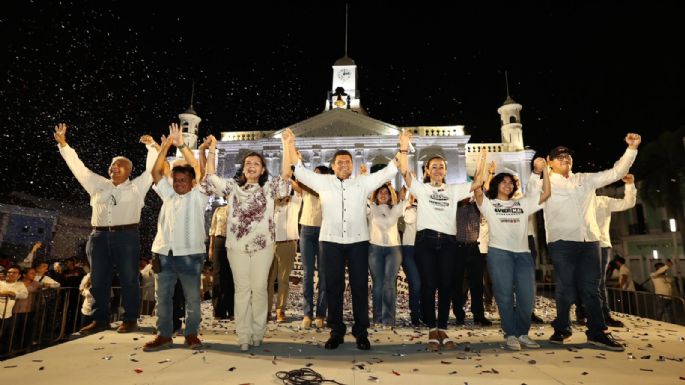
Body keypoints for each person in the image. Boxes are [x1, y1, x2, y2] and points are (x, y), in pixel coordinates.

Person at [291, 130, 410, 350]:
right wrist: (289, 144)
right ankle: (336, 331)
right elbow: (299, 171)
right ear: (333, 166)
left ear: (352, 165)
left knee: (359, 287)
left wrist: (402, 148)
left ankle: (361, 331)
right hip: (330, 242)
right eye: (340, 162)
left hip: (358, 242)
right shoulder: (323, 182)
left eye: (348, 162)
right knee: (333, 286)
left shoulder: (362, 184)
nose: (344, 165)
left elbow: (390, 170)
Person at [528, 133, 641, 352]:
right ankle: (562, 329)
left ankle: (597, 333)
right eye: (559, 157)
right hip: (562, 242)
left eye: (568, 156)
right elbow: (531, 200)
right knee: (566, 289)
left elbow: (616, 172)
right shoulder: (545, 183)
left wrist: (631, 149)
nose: (565, 159)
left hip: (590, 241)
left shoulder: (585, 179)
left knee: (592, 289)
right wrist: (535, 173)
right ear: (550, 162)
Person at [53, 123, 158, 334]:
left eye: (119, 165)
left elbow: (152, 170)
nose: (114, 168)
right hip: (98, 237)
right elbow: (78, 168)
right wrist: (64, 145)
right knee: (98, 280)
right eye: (112, 165)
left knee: (129, 279)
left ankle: (130, 319)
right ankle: (100, 319)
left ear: (129, 171)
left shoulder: (137, 187)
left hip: (126, 237)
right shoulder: (97, 184)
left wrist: (152, 147)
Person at [204, 130, 292, 352]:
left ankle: (257, 331)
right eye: (248, 163)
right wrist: (213, 150)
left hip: (263, 247)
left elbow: (286, 177)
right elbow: (211, 177)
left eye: (257, 163)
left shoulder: (270, 188)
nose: (252, 166)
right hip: (237, 247)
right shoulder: (233, 188)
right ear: (243, 169)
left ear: (262, 169)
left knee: (259, 289)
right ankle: (243, 335)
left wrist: (287, 145)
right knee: (242, 289)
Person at [398, 137, 473, 351]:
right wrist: (404, 148)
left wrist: (485, 163)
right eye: (434, 167)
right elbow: (405, 173)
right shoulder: (422, 189)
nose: (438, 169)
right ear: (427, 170)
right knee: (429, 286)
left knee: (446, 286)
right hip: (426, 242)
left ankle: (443, 327)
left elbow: (477, 184)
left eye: (441, 166)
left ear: (446, 171)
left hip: (449, 242)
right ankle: (432, 329)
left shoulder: (454, 190)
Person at [473, 154, 551, 351]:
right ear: (496, 184)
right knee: (504, 295)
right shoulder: (489, 205)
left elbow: (546, 193)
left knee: (527, 296)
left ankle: (522, 333)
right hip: (499, 254)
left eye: (510, 182)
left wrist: (546, 171)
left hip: (523, 254)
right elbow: (477, 189)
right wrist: (481, 164)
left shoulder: (522, 203)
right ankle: (510, 334)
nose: (507, 185)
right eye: (503, 182)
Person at [142, 124, 208, 352]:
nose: (179, 183)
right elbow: (156, 172)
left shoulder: (199, 196)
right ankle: (164, 335)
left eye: (183, 180)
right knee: (163, 299)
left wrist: (181, 145)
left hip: (190, 255)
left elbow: (199, 170)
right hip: (164, 253)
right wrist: (165, 146)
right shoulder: (168, 193)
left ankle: (191, 334)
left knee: (192, 299)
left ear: (192, 182)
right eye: (176, 179)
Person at [575, 174, 637, 327]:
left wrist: (630, 185)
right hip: (581, 245)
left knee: (599, 282)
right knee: (581, 281)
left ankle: (604, 315)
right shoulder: (575, 204)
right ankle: (582, 312)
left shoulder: (604, 201)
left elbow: (628, 203)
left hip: (602, 245)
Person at [367, 182, 404, 327]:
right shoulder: (371, 208)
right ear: (376, 195)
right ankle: (377, 318)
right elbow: (366, 199)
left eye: (386, 193)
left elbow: (404, 201)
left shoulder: (395, 209)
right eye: (380, 192)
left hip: (393, 249)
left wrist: (404, 188)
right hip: (374, 248)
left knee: (389, 284)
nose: (383, 195)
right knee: (377, 284)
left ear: (389, 196)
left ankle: (388, 319)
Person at [298, 165, 330, 330]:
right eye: (314, 174)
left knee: (324, 274)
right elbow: (294, 176)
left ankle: (321, 314)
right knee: (307, 273)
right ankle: (307, 313)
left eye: (318, 174)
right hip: (306, 230)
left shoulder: (328, 190)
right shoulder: (306, 187)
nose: (315, 176)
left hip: (324, 232)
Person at [452, 197, 491, 327]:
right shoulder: (454, 209)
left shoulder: (477, 207)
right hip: (458, 249)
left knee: (477, 285)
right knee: (458, 285)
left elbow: (483, 192)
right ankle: (459, 315)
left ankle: (479, 316)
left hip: (475, 248)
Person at [267, 184, 302, 323]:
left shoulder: (294, 200)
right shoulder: (271, 203)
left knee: (283, 279)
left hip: (288, 242)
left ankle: (280, 310)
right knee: (267, 280)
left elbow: (299, 188)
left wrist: (291, 177)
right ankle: (266, 310)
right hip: (269, 244)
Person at [208, 205, 234, 320]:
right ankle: (219, 310)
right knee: (218, 275)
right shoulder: (219, 210)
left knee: (233, 276)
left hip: (235, 243)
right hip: (219, 242)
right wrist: (210, 248)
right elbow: (212, 230)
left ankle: (233, 310)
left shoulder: (242, 208)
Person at [401, 192, 422, 327]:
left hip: (425, 249)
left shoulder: (431, 211)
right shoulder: (410, 208)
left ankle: (424, 314)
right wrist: (411, 201)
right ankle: (415, 314)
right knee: (416, 284)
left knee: (426, 284)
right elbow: (408, 219)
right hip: (409, 249)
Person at [0, 266, 29, 356]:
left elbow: (24, 295)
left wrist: (14, 294)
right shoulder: (0, 282)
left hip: (7, 314)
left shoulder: (20, 285)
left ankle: (3, 354)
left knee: (5, 335)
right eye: (9, 272)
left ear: (19, 275)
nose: (11, 274)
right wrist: (6, 293)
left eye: (14, 272)